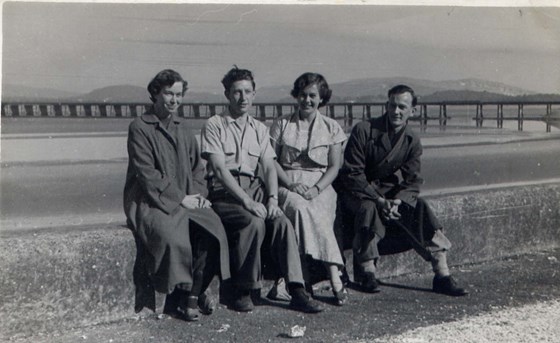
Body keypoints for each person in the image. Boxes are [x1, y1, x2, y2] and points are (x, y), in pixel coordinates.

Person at [200, 66, 324, 313]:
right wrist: (247, 201)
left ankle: (297, 289)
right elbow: (219, 170)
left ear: (254, 94)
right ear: (227, 94)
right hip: (226, 192)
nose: (243, 98)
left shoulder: (259, 129)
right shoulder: (215, 124)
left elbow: (268, 167)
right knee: (253, 222)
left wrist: (271, 199)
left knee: (281, 222)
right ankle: (242, 289)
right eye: (237, 92)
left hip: (255, 190)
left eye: (247, 91)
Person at [336, 84, 468, 296]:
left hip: (388, 193)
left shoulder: (411, 140)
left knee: (419, 207)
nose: (396, 112)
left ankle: (442, 274)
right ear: (386, 106)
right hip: (356, 191)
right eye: (392, 105)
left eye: (402, 107)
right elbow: (352, 174)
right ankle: (367, 272)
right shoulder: (364, 130)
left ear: (412, 111)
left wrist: (398, 201)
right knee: (369, 208)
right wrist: (380, 200)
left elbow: (413, 180)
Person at [123, 69, 230, 322]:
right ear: (155, 93)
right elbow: (147, 174)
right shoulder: (139, 127)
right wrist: (181, 199)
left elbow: (197, 169)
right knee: (174, 237)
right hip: (150, 201)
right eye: (168, 93)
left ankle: (194, 293)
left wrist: (199, 195)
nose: (174, 100)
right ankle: (184, 298)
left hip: (185, 198)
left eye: (178, 94)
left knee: (214, 231)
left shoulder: (183, 128)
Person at [269, 72, 347, 306]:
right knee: (300, 209)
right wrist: (290, 184)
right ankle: (334, 275)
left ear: (321, 98)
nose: (307, 100)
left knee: (319, 211)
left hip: (320, 185)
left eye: (313, 95)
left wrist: (316, 189)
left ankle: (317, 275)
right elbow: (270, 161)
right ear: (296, 96)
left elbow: (334, 167)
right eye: (302, 95)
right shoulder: (281, 124)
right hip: (287, 183)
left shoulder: (332, 127)